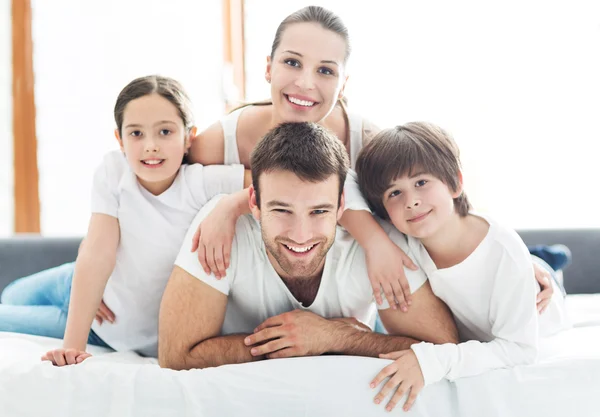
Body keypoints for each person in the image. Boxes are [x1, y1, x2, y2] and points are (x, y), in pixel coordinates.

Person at [157, 122, 459, 370]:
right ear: (254, 203)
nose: (300, 235)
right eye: (282, 210)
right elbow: (176, 355)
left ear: (342, 205)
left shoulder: (381, 245)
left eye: (318, 211)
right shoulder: (218, 230)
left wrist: (334, 337)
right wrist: (297, 344)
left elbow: (443, 349)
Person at [0, 75, 250, 365]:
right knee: (12, 292)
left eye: (165, 132)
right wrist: (75, 335)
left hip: (106, 329)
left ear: (188, 137)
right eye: (136, 134)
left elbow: (274, 184)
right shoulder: (113, 170)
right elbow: (98, 252)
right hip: (85, 284)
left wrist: (231, 205)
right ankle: (79, 289)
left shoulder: (202, 183)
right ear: (120, 139)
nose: (150, 146)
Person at [355, 122, 571, 412]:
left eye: (421, 182)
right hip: (499, 283)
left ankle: (548, 260)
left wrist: (433, 361)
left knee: (543, 271)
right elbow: (343, 191)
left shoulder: (503, 254)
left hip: (542, 302)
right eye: (394, 193)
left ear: (455, 183)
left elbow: (520, 349)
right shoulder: (399, 235)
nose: (411, 201)